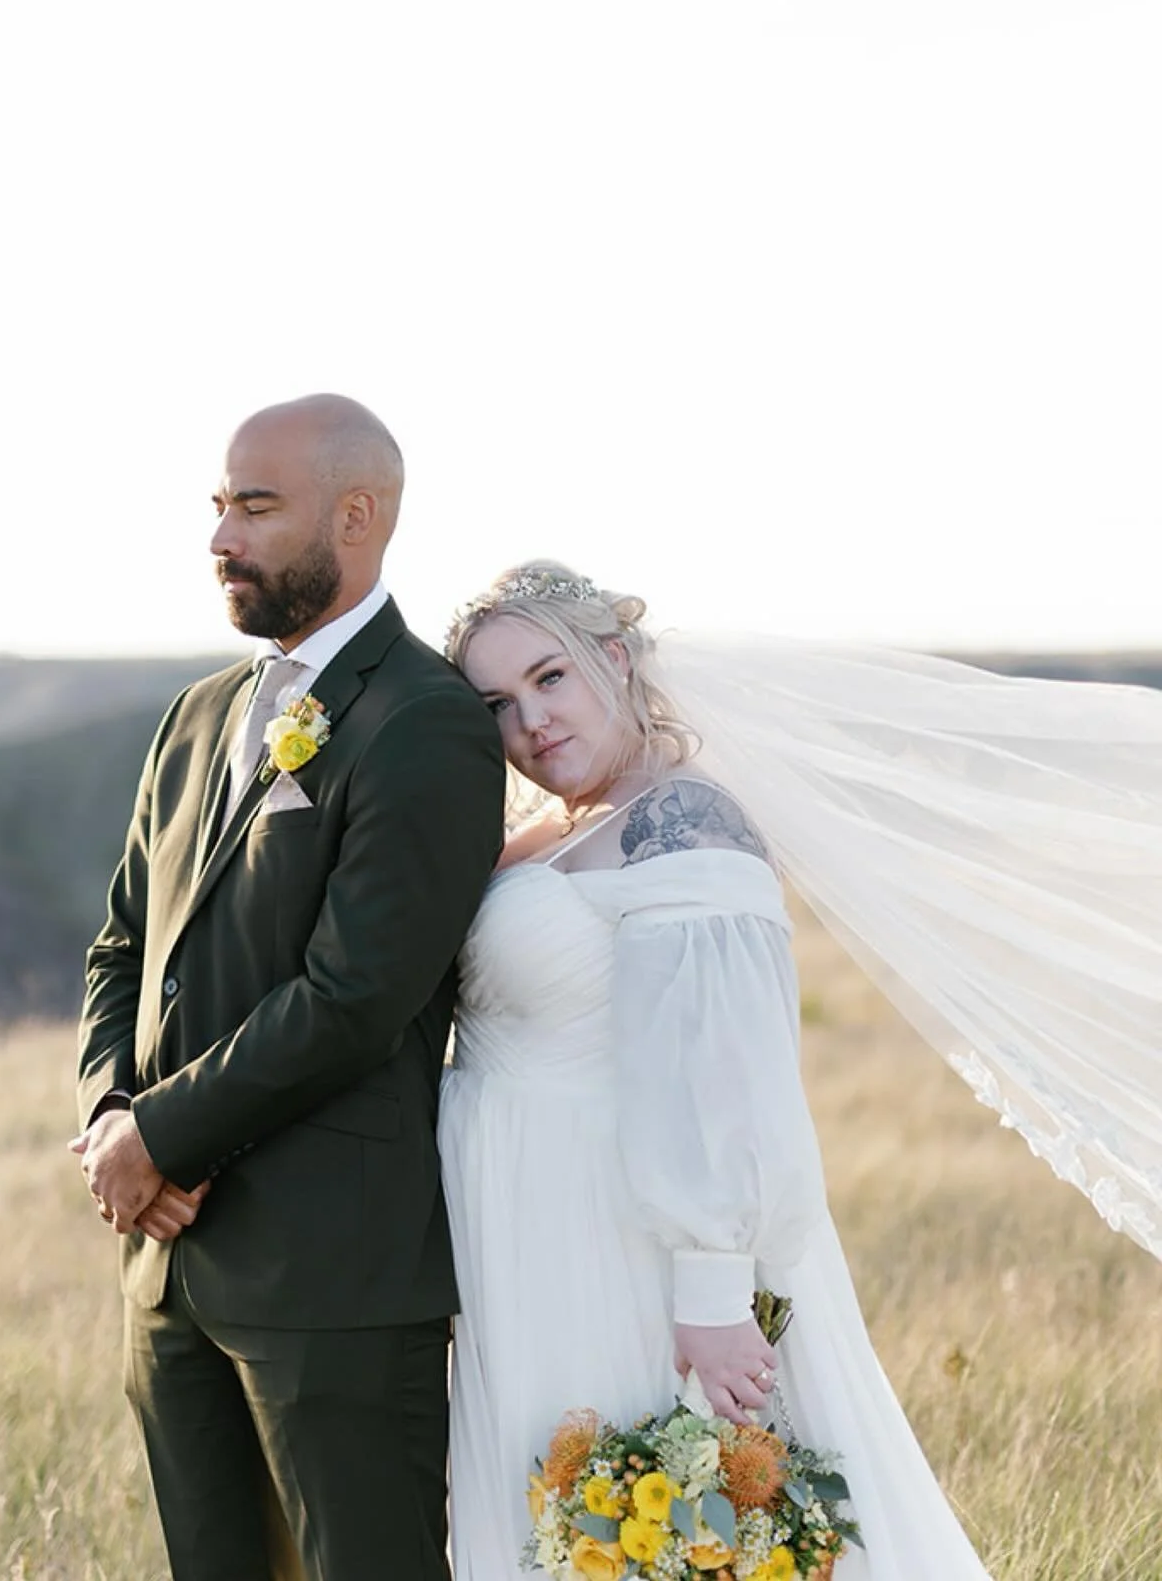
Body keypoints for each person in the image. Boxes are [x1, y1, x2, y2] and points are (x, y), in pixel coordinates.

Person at [440, 560, 1094, 1580]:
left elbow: (724, 1061)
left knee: (656, 1532)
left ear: (613, 659)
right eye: (497, 704)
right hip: (521, 1239)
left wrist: (711, 1286)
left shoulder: (680, 819)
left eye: (549, 678)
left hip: (622, 1249)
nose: (530, 721)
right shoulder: (562, 831)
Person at [72, 395, 505, 1581]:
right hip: (166, 1278)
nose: (222, 535)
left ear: (357, 517)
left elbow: (355, 996)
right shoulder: (198, 715)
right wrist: (113, 1117)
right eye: (219, 504)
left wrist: (163, 1135)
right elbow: (123, 947)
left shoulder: (425, 721)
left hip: (333, 1281)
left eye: (255, 506)